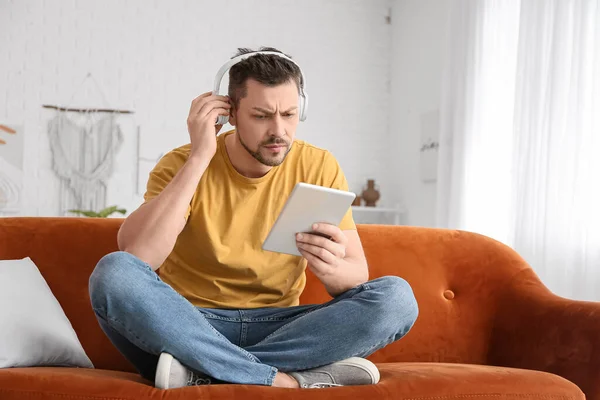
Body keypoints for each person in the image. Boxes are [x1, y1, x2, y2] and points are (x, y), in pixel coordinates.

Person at [88, 47, 418, 390]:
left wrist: (334, 271)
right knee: (114, 274)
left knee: (397, 297)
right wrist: (201, 156)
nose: (280, 131)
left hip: (280, 327)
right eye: (262, 116)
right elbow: (139, 256)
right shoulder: (181, 163)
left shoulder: (319, 166)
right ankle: (282, 380)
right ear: (229, 113)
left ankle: (206, 372)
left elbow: (356, 274)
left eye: (289, 114)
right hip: (188, 322)